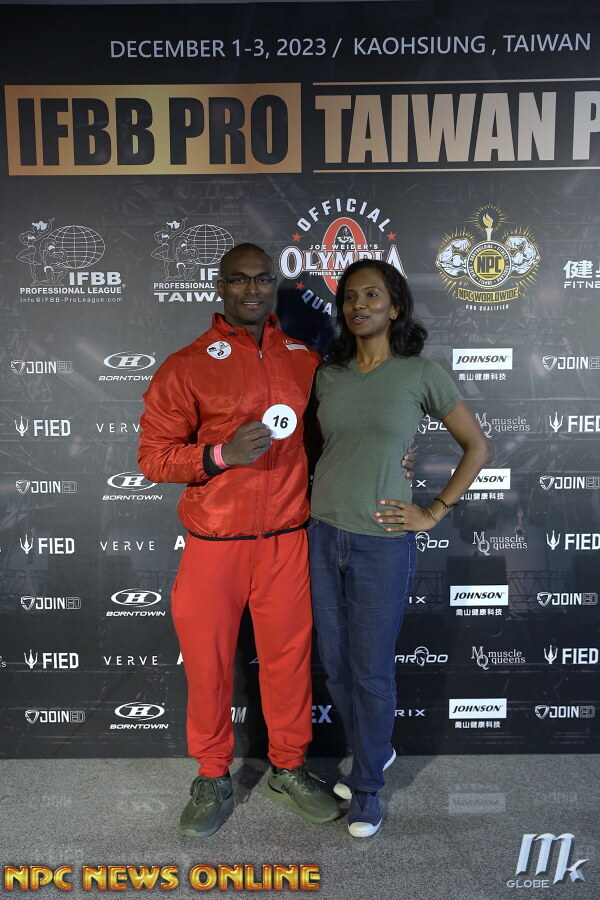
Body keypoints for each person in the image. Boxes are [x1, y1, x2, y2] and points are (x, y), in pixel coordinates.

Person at [138, 242, 343, 837]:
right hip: (215, 542)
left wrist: (387, 458)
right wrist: (219, 455)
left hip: (286, 539)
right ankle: (211, 776)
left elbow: (331, 441)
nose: (252, 289)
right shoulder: (186, 364)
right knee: (207, 666)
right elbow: (153, 457)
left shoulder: (305, 359)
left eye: (262, 279)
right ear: (220, 287)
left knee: (289, 664)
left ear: (274, 284)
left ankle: (288, 768)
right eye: (239, 279)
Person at [307, 259, 490, 838]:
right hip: (323, 533)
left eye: (371, 295)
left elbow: (477, 447)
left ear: (396, 307)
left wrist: (433, 511)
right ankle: (376, 748)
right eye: (349, 297)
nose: (358, 305)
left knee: (370, 670)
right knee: (337, 667)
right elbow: (325, 449)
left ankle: (367, 787)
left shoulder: (420, 372)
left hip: (384, 543)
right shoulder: (328, 375)